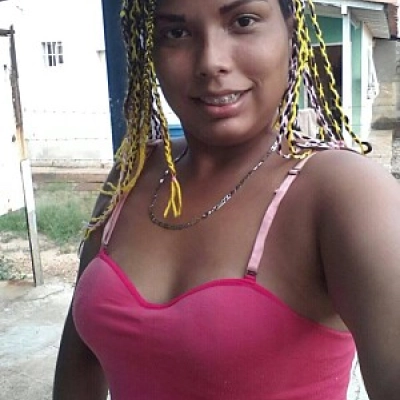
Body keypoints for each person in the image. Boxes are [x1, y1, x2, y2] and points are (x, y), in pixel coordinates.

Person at [52, 0, 400, 399]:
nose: (211, 62)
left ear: (290, 30)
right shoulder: (133, 173)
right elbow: (79, 364)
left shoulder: (345, 192)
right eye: (176, 32)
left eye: (243, 21)